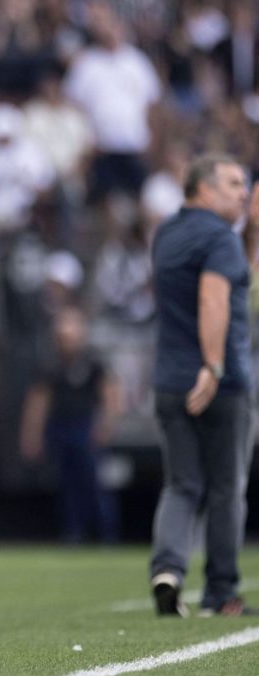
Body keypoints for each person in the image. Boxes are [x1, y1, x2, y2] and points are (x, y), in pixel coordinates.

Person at [149, 153, 259, 617]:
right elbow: (213, 299)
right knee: (226, 489)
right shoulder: (219, 239)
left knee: (181, 485)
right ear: (205, 189)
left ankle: (168, 569)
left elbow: (236, 277)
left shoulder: (167, 234)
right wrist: (212, 368)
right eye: (234, 183)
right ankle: (221, 592)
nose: (242, 191)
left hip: (169, 379)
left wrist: (250, 228)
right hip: (221, 381)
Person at [19, 305, 121, 544]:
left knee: (94, 482)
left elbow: (110, 394)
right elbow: (38, 402)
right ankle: (72, 532)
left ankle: (106, 534)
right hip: (60, 425)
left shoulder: (93, 362)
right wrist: (31, 436)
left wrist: (107, 424)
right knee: (67, 484)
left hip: (85, 425)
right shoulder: (50, 363)